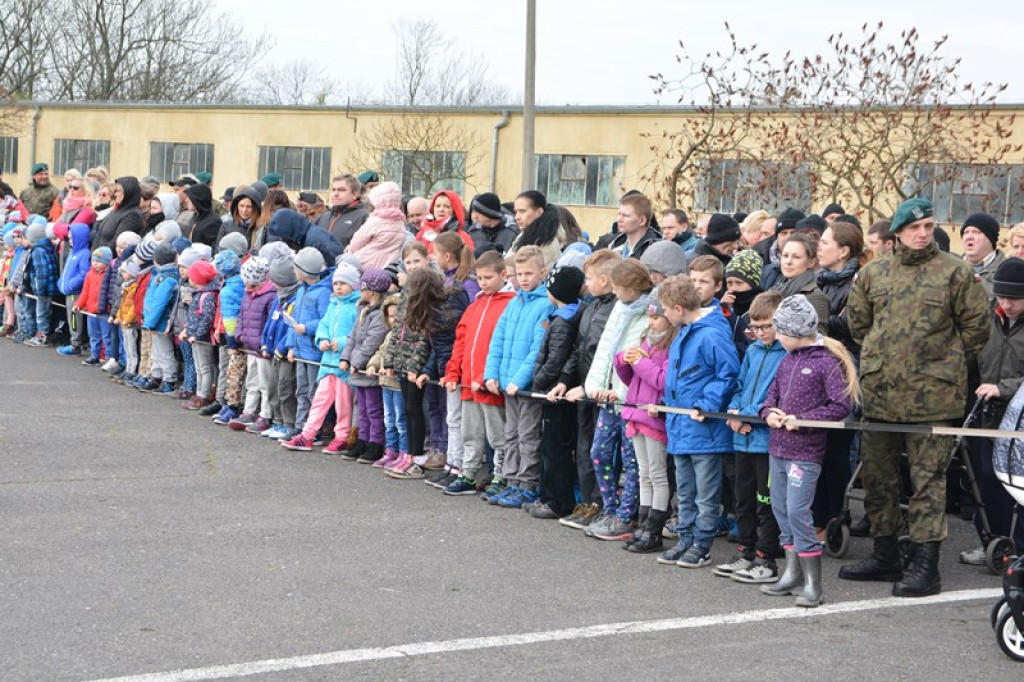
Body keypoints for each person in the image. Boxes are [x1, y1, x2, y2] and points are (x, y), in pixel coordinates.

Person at [841, 197, 990, 597]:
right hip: (882, 396)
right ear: (898, 234)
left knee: (927, 483)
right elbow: (859, 327)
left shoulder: (955, 272)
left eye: (928, 226)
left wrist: (944, 360)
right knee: (878, 479)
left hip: (933, 400)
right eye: (913, 228)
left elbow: (978, 329)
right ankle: (886, 553)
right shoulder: (874, 274)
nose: (922, 234)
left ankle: (926, 566)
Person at [759, 295, 858, 607]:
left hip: (806, 452)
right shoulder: (786, 361)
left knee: (798, 512)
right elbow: (769, 397)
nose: (778, 338)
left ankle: (814, 583)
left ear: (795, 332)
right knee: (780, 509)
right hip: (778, 448)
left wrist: (802, 422)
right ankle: (792, 573)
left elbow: (841, 406)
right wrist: (768, 414)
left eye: (781, 333)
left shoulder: (827, 363)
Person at [657, 274, 740, 568]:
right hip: (681, 427)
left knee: (706, 493)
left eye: (665, 308)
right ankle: (685, 539)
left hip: (704, 429)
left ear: (678, 308)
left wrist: (707, 404)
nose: (663, 314)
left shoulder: (711, 334)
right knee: (686, 490)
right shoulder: (684, 332)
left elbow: (728, 372)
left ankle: (702, 544)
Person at [576, 259, 656, 540]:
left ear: (632, 288)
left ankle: (626, 516)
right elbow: (606, 351)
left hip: (630, 400)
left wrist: (621, 392)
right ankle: (610, 509)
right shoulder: (620, 309)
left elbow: (643, 360)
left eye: (619, 288)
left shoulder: (652, 314)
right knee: (599, 452)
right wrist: (594, 385)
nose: (615, 293)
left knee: (631, 459)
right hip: (608, 398)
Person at [550, 249, 622, 528]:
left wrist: (595, 386)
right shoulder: (588, 306)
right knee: (584, 446)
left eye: (590, 278)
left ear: (604, 279)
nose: (586, 283)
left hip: (604, 393)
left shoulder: (618, 309)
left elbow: (612, 355)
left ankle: (604, 503)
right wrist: (565, 380)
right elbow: (579, 349)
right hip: (582, 388)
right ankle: (590, 502)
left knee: (604, 450)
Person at [718, 291, 785, 583]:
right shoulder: (754, 351)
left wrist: (749, 414)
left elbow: (778, 397)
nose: (759, 333)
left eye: (765, 326)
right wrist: (734, 413)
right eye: (754, 328)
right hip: (742, 438)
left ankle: (766, 558)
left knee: (765, 502)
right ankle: (745, 551)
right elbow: (740, 386)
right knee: (742, 499)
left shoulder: (787, 355)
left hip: (766, 442)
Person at [961, 257, 1024, 562]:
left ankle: (1021, 551)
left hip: (1019, 416)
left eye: (1015, 298)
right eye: (1002, 297)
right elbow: (970, 355)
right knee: (988, 478)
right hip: (989, 415)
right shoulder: (988, 317)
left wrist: (1004, 388)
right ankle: (993, 542)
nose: (1007, 304)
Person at [483, 245, 555, 507]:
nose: (523, 278)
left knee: (528, 436)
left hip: (524, 387)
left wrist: (519, 380)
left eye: (528, 273)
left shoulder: (545, 304)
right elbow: (497, 340)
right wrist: (492, 374)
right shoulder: (514, 303)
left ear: (542, 272)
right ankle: (511, 480)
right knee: (510, 434)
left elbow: (538, 348)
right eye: (519, 273)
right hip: (506, 384)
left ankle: (528, 483)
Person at [441, 250, 516, 495]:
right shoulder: (474, 307)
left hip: (489, 383)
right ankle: (469, 474)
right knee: (470, 433)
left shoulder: (510, 304)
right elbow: (460, 343)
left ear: (503, 275)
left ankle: (500, 475)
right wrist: (453, 373)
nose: (483, 283)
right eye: (480, 278)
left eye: (488, 277)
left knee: (498, 435)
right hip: (468, 382)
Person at [612, 295, 676, 550]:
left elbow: (662, 381)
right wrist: (623, 360)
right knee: (644, 474)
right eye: (650, 317)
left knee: (658, 474)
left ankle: (654, 530)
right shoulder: (647, 343)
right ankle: (645, 524)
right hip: (636, 413)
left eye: (656, 317)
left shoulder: (670, 346)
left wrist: (640, 362)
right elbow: (632, 380)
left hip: (654, 417)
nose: (651, 323)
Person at [526, 265, 585, 519]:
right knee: (550, 448)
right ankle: (547, 496)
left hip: (556, 395)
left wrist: (538, 381)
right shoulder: (564, 316)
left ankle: (557, 501)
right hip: (553, 391)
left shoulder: (563, 321)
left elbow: (555, 359)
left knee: (556, 450)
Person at [282, 263, 362, 452]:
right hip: (327, 362)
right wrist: (323, 339)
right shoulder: (333, 303)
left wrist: (341, 342)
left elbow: (357, 333)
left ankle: (342, 437)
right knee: (319, 399)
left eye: (343, 283)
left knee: (344, 404)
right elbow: (323, 325)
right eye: (336, 283)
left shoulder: (357, 307)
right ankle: (307, 434)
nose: (339, 287)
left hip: (343, 363)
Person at [381, 244, 434, 478]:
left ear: (427, 260)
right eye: (408, 262)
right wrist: (390, 361)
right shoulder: (404, 293)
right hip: (401, 361)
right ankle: (408, 456)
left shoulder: (428, 292)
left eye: (416, 261)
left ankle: (416, 459)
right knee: (406, 408)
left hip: (416, 364)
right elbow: (397, 331)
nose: (412, 266)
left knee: (414, 409)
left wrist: (414, 365)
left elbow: (424, 335)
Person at [338, 268, 393, 463]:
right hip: (357, 367)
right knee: (361, 408)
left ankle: (376, 442)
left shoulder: (379, 314)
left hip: (367, 368)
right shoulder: (362, 310)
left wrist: (357, 361)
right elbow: (353, 337)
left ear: (372, 291)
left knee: (373, 408)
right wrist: (345, 358)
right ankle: (362, 439)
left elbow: (372, 340)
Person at [280, 247, 334, 440]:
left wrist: (307, 328)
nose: (294, 273)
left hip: (313, 351)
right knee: (301, 390)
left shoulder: (324, 292)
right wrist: (291, 346)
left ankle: (316, 428)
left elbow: (325, 320)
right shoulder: (302, 289)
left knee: (314, 392)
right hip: (300, 350)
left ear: (304, 272)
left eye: (296, 269)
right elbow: (293, 319)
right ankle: (301, 425)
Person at [226, 257, 277, 434]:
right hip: (249, 347)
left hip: (262, 350)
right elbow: (241, 315)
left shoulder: (271, 297)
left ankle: (265, 414)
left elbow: (270, 323)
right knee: (252, 381)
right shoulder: (247, 294)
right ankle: (249, 411)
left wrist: (264, 344)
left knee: (265, 383)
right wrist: (239, 333)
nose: (248, 288)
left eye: (252, 285)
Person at [257, 255, 302, 439]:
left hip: (284, 353)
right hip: (273, 351)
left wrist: (282, 347)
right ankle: (277, 421)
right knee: (272, 387)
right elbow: (270, 322)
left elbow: (291, 328)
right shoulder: (278, 298)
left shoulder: (295, 299)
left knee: (286, 388)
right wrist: (265, 343)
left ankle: (288, 422)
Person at [365, 294, 407, 469]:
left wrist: (391, 367)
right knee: (389, 420)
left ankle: (404, 452)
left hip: (397, 384)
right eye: (390, 316)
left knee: (400, 420)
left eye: (397, 315)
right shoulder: (389, 335)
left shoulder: (406, 335)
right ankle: (390, 450)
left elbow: (404, 357)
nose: (394, 319)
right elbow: (381, 352)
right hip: (385, 383)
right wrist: (373, 365)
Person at [140, 242, 181, 394]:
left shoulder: (166, 279)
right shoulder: (160, 276)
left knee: (165, 352)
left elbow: (160, 304)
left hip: (161, 322)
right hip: (156, 322)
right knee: (156, 351)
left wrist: (149, 322)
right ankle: (156, 376)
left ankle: (169, 380)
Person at [771, 233, 829, 336]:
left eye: (796, 257)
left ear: (811, 262)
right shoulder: (775, 289)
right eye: (785, 256)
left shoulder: (815, 297)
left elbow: (818, 339)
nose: (788, 262)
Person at [345, 182, 409, 270]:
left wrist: (350, 250)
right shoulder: (400, 221)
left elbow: (358, 239)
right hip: (389, 263)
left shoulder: (375, 221)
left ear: (378, 201)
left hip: (367, 260)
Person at [55, 223, 94, 355]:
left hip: (75, 293)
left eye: (72, 238)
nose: (70, 240)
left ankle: (75, 344)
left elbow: (84, 274)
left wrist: (70, 285)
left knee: (74, 319)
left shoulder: (84, 254)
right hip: (69, 292)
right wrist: (61, 283)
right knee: (71, 318)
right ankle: (74, 342)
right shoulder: (73, 253)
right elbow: (66, 271)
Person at [75, 247, 114, 365]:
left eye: (98, 261)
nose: (95, 263)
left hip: (105, 311)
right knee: (94, 335)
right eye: (93, 260)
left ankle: (108, 357)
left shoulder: (109, 275)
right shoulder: (89, 274)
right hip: (91, 311)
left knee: (107, 336)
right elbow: (85, 292)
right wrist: (78, 304)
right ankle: (94, 355)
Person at [508, 190, 566, 268]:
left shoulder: (547, 242)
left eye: (522, 211)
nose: (517, 217)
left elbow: (533, 276)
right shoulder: (524, 235)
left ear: (539, 212)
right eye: (516, 212)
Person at [268, 209, 343, 264]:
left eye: (282, 236)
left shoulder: (315, 240)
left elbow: (334, 263)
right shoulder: (305, 235)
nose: (283, 240)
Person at [961, 212, 1006, 300]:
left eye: (976, 232)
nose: (969, 237)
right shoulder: (951, 268)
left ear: (991, 239)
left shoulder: (1007, 271)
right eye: (965, 232)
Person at [316, 174, 369, 250]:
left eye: (341, 190)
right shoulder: (322, 217)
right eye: (333, 190)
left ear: (354, 194)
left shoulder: (364, 217)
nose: (336, 194)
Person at [757, 207, 804, 288]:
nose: (788, 237)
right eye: (784, 233)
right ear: (777, 236)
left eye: (793, 232)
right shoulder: (760, 256)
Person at [416, 190, 474, 256]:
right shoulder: (421, 235)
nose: (441, 209)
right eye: (438, 206)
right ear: (433, 209)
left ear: (454, 210)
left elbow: (468, 262)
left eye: (447, 206)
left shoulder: (461, 237)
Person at [93, 177, 144, 251]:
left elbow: (116, 243)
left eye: (117, 191)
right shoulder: (116, 210)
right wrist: (93, 256)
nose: (114, 194)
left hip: (108, 259)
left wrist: (101, 258)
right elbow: (99, 235)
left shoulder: (132, 215)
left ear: (128, 193)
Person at [607, 193, 661, 260]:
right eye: (619, 214)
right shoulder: (614, 245)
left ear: (642, 221)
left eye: (625, 215)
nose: (619, 219)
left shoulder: (655, 250)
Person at [184, 183, 221, 249]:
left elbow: (213, 249)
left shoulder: (213, 222)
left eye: (189, 198)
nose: (186, 200)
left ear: (199, 199)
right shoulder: (195, 217)